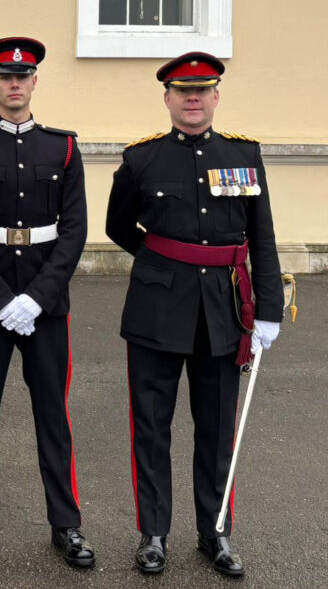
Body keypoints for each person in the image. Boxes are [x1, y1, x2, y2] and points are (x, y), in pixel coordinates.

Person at [105, 52, 283, 577]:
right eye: (183, 91)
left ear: (216, 97)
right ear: (167, 99)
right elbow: (119, 227)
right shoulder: (141, 160)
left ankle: (216, 532)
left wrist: (268, 310)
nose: (193, 99)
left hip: (223, 313)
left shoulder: (244, 155)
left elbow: (263, 239)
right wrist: (166, 264)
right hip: (157, 308)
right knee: (152, 426)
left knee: (217, 427)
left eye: (203, 90)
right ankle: (154, 533)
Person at [0, 37, 94, 569]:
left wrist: (37, 297)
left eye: (22, 76)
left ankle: (66, 524)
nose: (14, 83)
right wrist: (0, 297)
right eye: (4, 76)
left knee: (53, 415)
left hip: (45, 303)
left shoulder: (64, 148)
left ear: (34, 82)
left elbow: (74, 230)